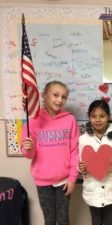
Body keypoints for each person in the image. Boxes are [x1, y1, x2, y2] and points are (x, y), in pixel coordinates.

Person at [20, 80, 79, 225]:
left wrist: (72, 178)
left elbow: (75, 151)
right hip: (42, 181)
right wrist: (29, 148)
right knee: (50, 219)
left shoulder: (70, 120)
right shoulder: (33, 120)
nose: (60, 100)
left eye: (64, 97)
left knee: (63, 219)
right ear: (44, 95)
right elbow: (29, 154)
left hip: (64, 181)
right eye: (56, 95)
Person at [78, 100, 112, 225]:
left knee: (110, 221)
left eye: (102, 116)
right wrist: (81, 167)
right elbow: (80, 162)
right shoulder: (83, 139)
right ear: (89, 117)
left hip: (111, 188)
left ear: (109, 116)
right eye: (94, 116)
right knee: (96, 221)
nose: (98, 120)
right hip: (91, 188)